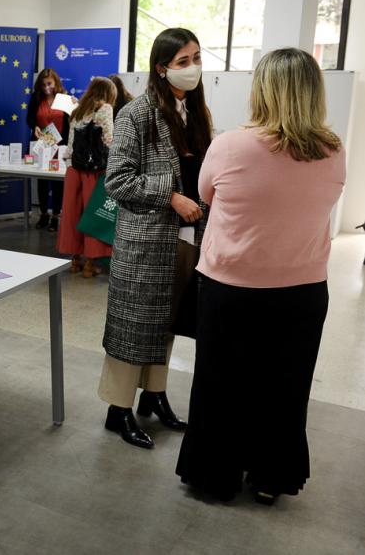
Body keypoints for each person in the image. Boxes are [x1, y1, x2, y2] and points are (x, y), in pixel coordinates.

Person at [176, 48, 345, 504]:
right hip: (304, 290)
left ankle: (215, 477)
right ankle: (272, 477)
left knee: (220, 384)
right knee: (286, 387)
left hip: (231, 287)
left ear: (261, 89)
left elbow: (204, 192)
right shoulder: (332, 148)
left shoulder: (231, 144)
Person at [98, 28, 212, 449]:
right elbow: (118, 180)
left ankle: (155, 396)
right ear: (161, 68)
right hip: (147, 240)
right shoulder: (137, 114)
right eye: (183, 61)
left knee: (168, 322)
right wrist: (171, 195)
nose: (193, 68)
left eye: (197, 57)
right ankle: (118, 409)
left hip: (188, 238)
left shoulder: (196, 112)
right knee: (133, 325)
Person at [57, 77, 116, 277]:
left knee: (73, 214)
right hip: (94, 170)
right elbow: (109, 139)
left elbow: (70, 144)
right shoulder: (106, 108)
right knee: (93, 215)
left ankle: (75, 260)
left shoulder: (77, 111)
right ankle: (90, 264)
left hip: (73, 169)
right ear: (108, 93)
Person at [26, 68, 69, 231]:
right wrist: (35, 127)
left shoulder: (64, 98)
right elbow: (29, 119)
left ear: (56, 82)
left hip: (59, 146)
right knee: (42, 181)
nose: (46, 88)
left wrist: (75, 104)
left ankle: (56, 217)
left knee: (58, 183)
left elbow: (71, 122)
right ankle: (44, 214)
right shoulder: (36, 98)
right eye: (43, 84)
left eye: (49, 83)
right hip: (41, 145)